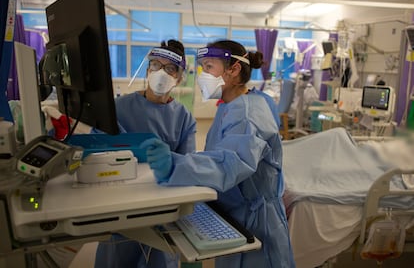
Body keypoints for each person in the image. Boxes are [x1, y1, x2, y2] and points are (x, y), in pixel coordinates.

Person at [140, 40, 296, 268]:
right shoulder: (232, 104)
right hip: (235, 214)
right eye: (202, 67)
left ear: (233, 70)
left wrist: (175, 165)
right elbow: (219, 152)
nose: (203, 75)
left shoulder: (247, 113)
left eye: (209, 67)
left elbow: (231, 164)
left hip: (256, 223)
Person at [94, 39, 196, 268]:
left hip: (163, 211)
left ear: (179, 77)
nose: (161, 72)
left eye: (169, 69)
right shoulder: (118, 109)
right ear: (148, 69)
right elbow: (98, 151)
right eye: (155, 65)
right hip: (123, 207)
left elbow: (187, 167)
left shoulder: (184, 118)